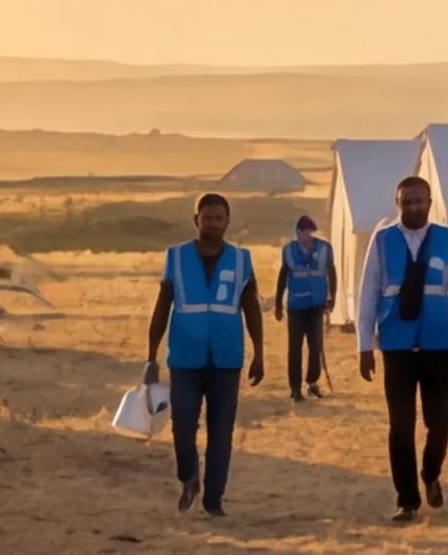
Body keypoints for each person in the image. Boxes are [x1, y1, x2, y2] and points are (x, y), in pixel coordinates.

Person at [141, 192, 268, 518]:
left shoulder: (241, 259)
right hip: (185, 357)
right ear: (196, 220)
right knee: (183, 424)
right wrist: (151, 355)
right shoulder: (177, 257)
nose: (213, 224)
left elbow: (251, 307)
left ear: (227, 222)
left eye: (219, 218)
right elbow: (161, 306)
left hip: (227, 358)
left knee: (221, 431)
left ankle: (214, 499)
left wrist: (259, 352)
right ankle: (188, 478)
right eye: (207, 218)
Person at [362, 170, 448, 520]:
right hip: (397, 344)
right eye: (407, 202)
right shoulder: (382, 240)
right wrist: (364, 345)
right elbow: (369, 293)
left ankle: (430, 472)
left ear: (430, 203)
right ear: (397, 204)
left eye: (419, 200)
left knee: (441, 420)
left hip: (437, 343)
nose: (413, 207)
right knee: (401, 425)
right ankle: (407, 500)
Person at [276, 209, 338, 402]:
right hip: (296, 305)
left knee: (315, 346)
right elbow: (282, 275)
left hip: (317, 304)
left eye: (309, 231)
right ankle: (294, 387)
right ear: (297, 232)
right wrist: (278, 303)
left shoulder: (324, 248)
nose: (306, 235)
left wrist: (333, 296)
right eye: (302, 231)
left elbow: (331, 271)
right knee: (294, 348)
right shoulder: (289, 250)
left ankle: (312, 382)